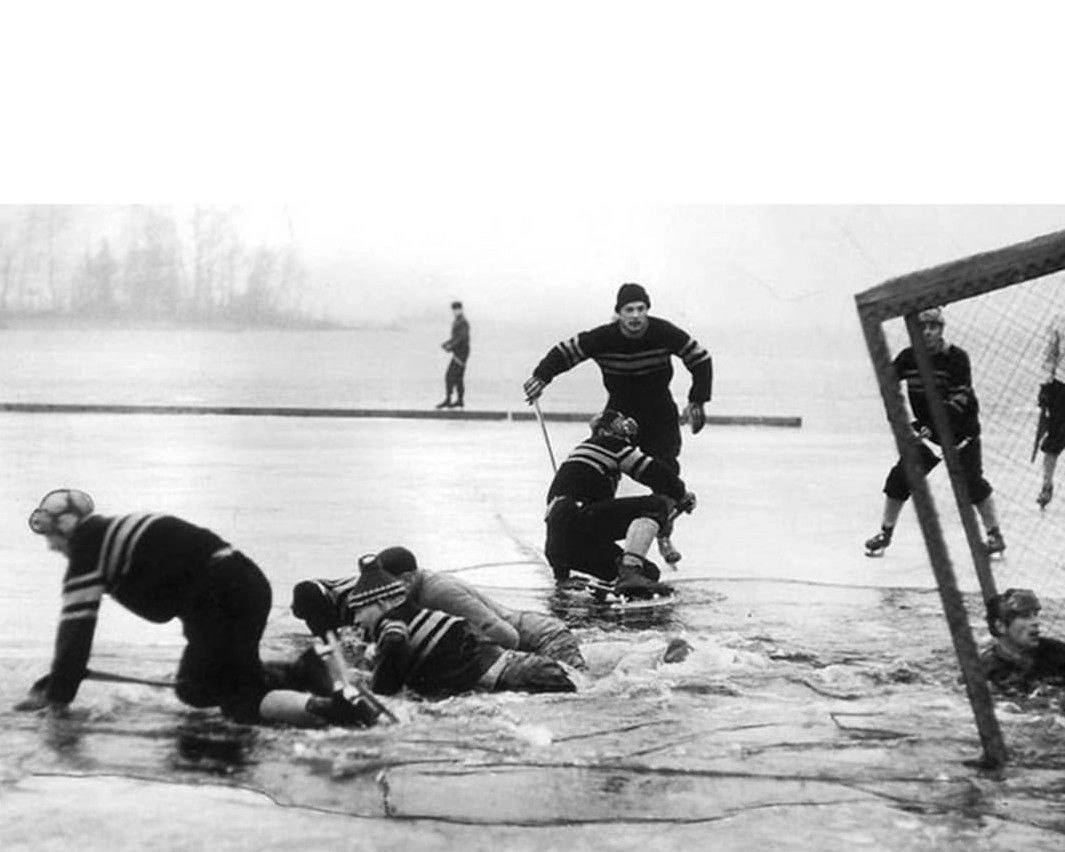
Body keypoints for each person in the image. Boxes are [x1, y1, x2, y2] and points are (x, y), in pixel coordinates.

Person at [13, 489, 380, 729]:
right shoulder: (113, 530)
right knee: (195, 688)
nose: (51, 548)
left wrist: (56, 697)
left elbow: (75, 634)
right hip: (245, 580)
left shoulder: (86, 552)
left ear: (65, 528)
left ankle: (328, 712)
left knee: (240, 702)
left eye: (50, 537)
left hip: (217, 597)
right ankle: (305, 669)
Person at [522, 282, 711, 564]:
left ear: (648, 311)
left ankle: (663, 533)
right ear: (618, 313)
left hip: (660, 412)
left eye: (641, 309)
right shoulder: (603, 338)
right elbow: (565, 353)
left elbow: (700, 359)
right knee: (604, 467)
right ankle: (594, 530)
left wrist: (697, 400)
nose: (635, 316)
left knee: (665, 473)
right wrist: (541, 377)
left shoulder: (664, 332)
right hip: (619, 412)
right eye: (629, 310)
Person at [291, 551, 577, 698]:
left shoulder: (426, 600)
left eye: (359, 613)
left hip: (537, 648)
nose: (355, 621)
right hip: (525, 667)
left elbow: (507, 635)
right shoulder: (399, 609)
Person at [864, 307, 1005, 557]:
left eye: (934, 327)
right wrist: (900, 424)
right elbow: (887, 385)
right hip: (927, 430)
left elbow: (961, 397)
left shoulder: (957, 357)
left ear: (941, 329)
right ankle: (885, 533)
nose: (928, 332)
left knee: (972, 484)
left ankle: (994, 536)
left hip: (961, 431)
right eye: (923, 327)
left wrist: (935, 425)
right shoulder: (907, 358)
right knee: (900, 478)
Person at [544, 408, 696, 598]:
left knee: (649, 574)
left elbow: (559, 522)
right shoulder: (607, 444)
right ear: (603, 431)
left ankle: (627, 579)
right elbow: (655, 474)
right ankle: (630, 573)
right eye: (618, 423)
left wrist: (562, 575)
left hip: (562, 547)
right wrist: (681, 494)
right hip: (577, 522)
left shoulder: (583, 454)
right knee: (656, 505)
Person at [367, 545, 585, 669]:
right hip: (532, 634)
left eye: (389, 588)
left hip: (545, 638)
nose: (386, 596)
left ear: (408, 578)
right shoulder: (419, 586)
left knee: (583, 691)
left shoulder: (437, 592)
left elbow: (507, 635)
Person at [980, 588, 1065, 696]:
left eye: (1035, 614)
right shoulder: (986, 671)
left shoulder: (1056, 653)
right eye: (1025, 616)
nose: (1036, 622)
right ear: (1000, 626)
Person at [1036, 315, 1065, 508]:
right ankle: (1046, 484)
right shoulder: (1059, 320)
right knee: (1054, 438)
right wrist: (1046, 385)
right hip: (1062, 385)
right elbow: (1049, 355)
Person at [436, 300, 470, 409]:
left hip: (461, 354)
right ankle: (459, 401)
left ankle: (448, 399)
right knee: (458, 378)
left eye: (457, 309)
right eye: (454, 310)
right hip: (460, 352)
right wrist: (447, 343)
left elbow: (461, 338)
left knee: (449, 376)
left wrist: (450, 346)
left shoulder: (463, 322)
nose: (456, 311)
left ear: (461, 309)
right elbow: (456, 338)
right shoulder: (458, 321)